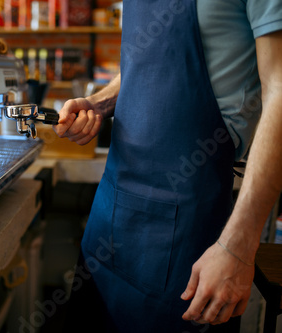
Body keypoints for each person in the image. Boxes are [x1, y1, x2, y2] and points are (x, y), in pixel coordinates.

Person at [53, 1, 282, 332]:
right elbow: (145, 59)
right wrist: (100, 103)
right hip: (111, 215)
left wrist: (239, 247)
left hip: (188, 234)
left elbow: (278, 90)